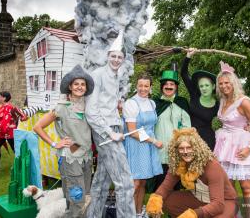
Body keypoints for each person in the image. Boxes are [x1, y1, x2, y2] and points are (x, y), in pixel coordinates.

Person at [85, 31, 136, 218]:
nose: (116, 60)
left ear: (123, 59)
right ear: (108, 56)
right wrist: (108, 133)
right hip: (105, 132)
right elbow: (91, 111)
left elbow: (109, 106)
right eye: (113, 56)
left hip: (114, 129)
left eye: (119, 57)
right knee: (125, 183)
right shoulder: (97, 75)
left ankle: (93, 215)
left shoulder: (116, 77)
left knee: (102, 180)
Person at [34, 64, 94, 218]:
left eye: (82, 84)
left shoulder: (89, 106)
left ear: (86, 87)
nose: (80, 87)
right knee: (76, 199)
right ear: (70, 86)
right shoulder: (61, 107)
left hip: (86, 157)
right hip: (70, 158)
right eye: (76, 84)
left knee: (85, 197)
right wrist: (55, 143)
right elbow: (38, 127)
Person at [214, 61, 250, 218]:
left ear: (234, 83)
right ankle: (233, 215)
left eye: (227, 83)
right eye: (221, 83)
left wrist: (249, 149)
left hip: (242, 147)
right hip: (225, 147)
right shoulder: (224, 100)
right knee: (229, 187)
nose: (224, 86)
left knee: (246, 187)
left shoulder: (243, 101)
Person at [146, 127, 237, 218]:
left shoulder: (212, 166)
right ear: (176, 150)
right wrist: (155, 199)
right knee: (167, 200)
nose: (185, 152)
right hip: (198, 198)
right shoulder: (178, 164)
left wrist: (194, 214)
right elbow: (165, 187)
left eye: (189, 147)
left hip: (224, 202)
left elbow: (218, 204)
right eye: (181, 148)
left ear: (197, 148)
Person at [122, 74, 163, 217]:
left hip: (147, 147)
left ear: (151, 88)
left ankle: (139, 213)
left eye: (146, 86)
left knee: (143, 182)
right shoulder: (131, 104)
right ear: (136, 86)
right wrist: (153, 141)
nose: (143, 89)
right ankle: (127, 214)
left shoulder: (152, 103)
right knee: (135, 183)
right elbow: (132, 131)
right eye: (140, 85)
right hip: (135, 145)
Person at [152, 67, 191, 191]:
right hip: (160, 149)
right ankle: (159, 206)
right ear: (162, 86)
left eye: (172, 84)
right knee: (161, 180)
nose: (169, 86)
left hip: (178, 149)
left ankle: (174, 205)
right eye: (166, 84)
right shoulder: (155, 104)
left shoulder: (182, 103)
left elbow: (187, 126)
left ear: (176, 87)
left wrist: (183, 142)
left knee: (176, 181)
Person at [180, 48, 219, 150]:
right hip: (191, 137)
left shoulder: (218, 105)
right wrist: (188, 56)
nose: (204, 88)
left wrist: (247, 125)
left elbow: (230, 117)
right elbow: (184, 74)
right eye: (201, 86)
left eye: (207, 85)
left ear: (213, 86)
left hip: (208, 140)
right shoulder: (195, 94)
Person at [0, 91, 25, 173]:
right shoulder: (1, 107)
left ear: (4, 98)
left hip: (9, 133)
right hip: (1, 133)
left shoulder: (9, 107)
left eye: (0, 96)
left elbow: (5, 121)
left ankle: (23, 166)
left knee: (15, 149)